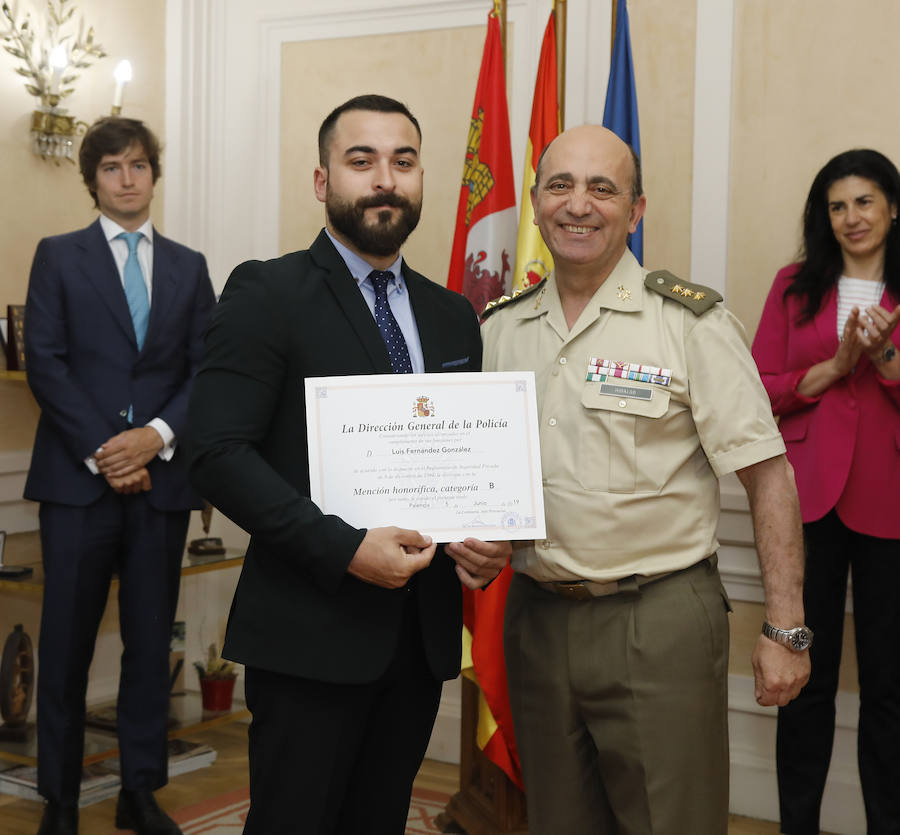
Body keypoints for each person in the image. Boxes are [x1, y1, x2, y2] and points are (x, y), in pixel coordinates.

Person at [185, 94, 510, 835]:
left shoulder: (453, 314)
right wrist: (345, 548)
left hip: (418, 640)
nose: (384, 179)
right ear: (322, 179)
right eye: (361, 161)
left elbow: (456, 459)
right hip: (309, 634)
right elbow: (215, 453)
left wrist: (481, 535)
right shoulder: (268, 292)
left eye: (403, 161)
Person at [480, 125, 811, 834]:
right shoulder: (499, 330)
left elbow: (768, 474)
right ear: (535, 205)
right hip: (536, 616)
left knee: (672, 822)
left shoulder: (690, 322)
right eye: (561, 185)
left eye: (603, 188)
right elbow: (485, 474)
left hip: (656, 617)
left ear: (637, 210)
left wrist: (786, 627)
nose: (579, 204)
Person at [24, 117, 216, 835]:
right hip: (78, 485)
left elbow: (206, 369)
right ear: (93, 180)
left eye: (138, 165)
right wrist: (110, 449)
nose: (127, 178)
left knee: (147, 645)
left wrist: (155, 438)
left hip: (161, 483)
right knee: (66, 647)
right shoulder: (59, 257)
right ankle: (60, 799)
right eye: (112, 168)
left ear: (154, 174)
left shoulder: (189, 267)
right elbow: (45, 360)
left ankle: (140, 791)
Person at [752, 149, 900, 835]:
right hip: (805, 501)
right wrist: (836, 365)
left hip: (890, 501)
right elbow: (762, 390)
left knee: (889, 689)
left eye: (864, 202)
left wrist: (886, 361)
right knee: (801, 682)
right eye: (837, 205)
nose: (851, 218)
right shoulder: (793, 285)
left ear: (893, 207)